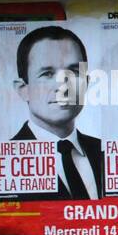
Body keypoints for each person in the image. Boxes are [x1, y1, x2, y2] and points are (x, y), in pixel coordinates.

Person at [10, 25, 103, 200]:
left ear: (86, 83)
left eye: (74, 72)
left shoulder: (106, 152)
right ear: (23, 89)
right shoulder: (0, 164)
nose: (63, 86)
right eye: (47, 73)